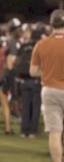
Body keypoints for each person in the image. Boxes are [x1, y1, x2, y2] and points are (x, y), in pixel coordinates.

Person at [30, 9, 64, 162]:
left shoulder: (41, 44)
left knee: (55, 132)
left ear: (51, 24)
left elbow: (33, 71)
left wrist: (47, 72)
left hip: (50, 90)